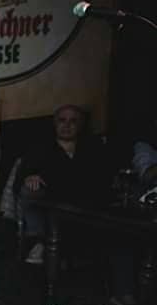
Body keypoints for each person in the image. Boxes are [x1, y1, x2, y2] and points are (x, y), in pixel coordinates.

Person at [14, 104, 110, 263]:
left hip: (85, 205)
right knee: (30, 190)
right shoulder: (41, 148)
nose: (67, 125)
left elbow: (102, 179)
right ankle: (37, 242)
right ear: (55, 123)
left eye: (73, 121)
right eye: (62, 120)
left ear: (80, 125)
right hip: (51, 203)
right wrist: (31, 177)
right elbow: (22, 178)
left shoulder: (92, 147)